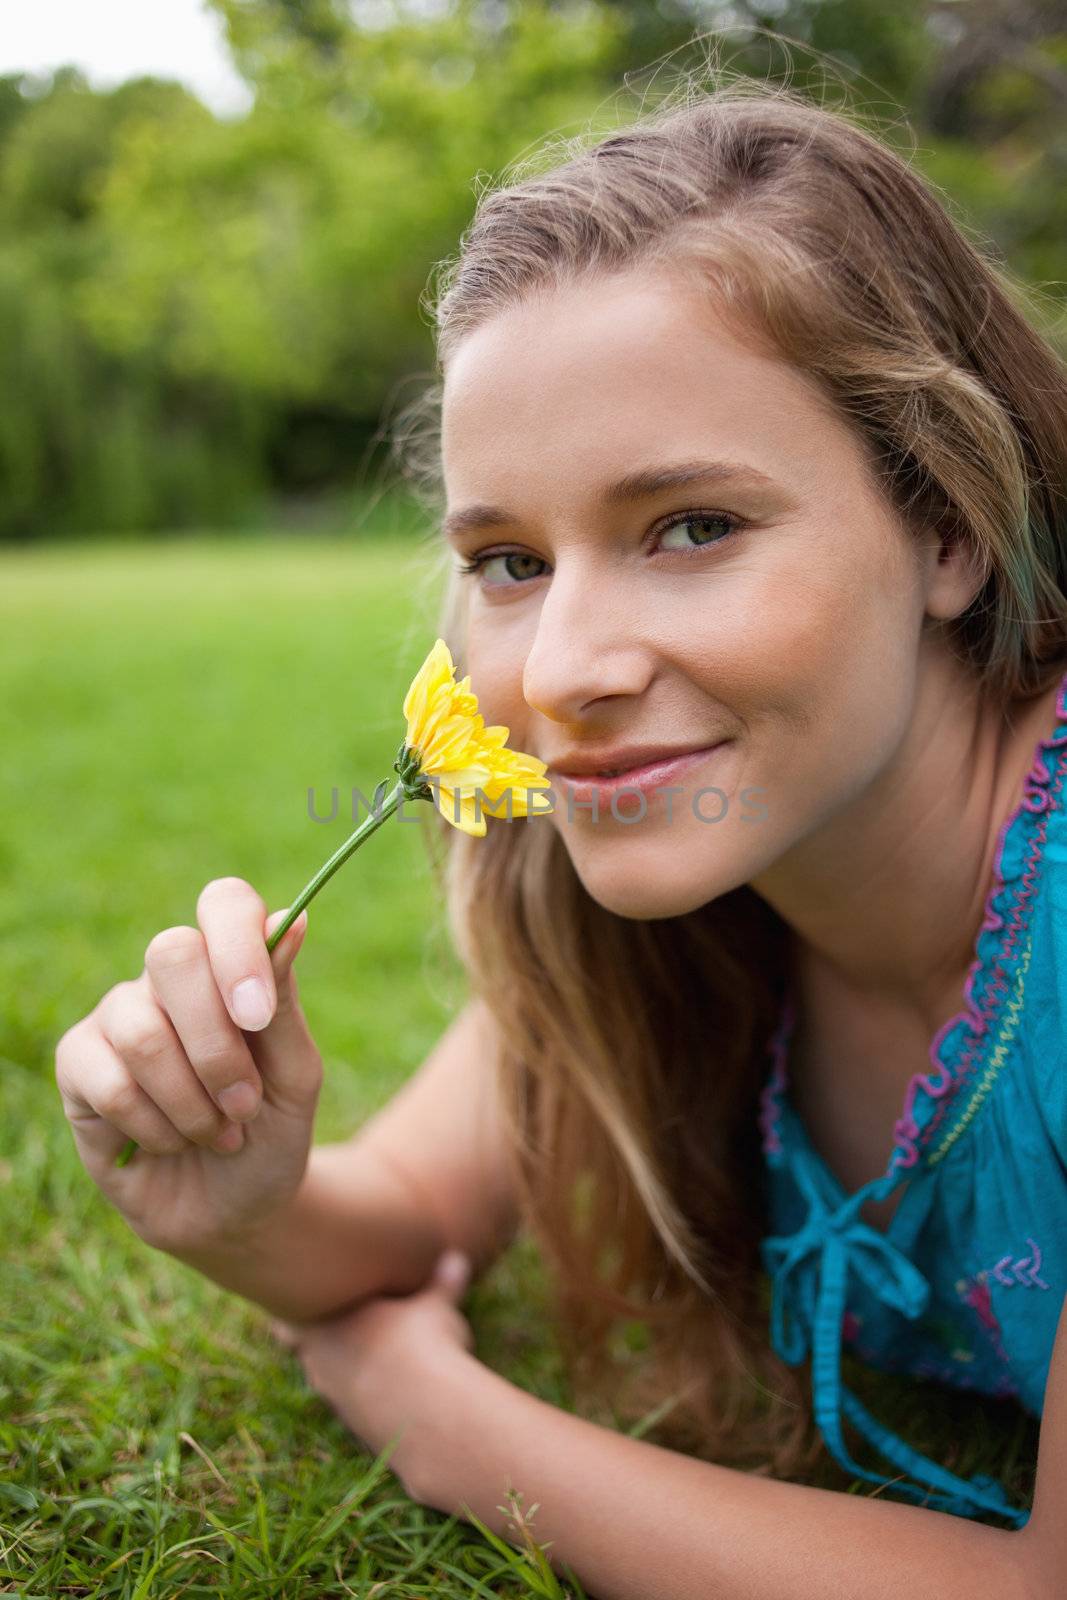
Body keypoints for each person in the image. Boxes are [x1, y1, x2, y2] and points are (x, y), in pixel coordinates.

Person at [55, 73, 1067, 1596]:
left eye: (692, 527)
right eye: (512, 559)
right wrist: (243, 1203)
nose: (562, 672)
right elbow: (395, 1217)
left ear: (947, 528)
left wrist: (440, 1418)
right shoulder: (664, 877)